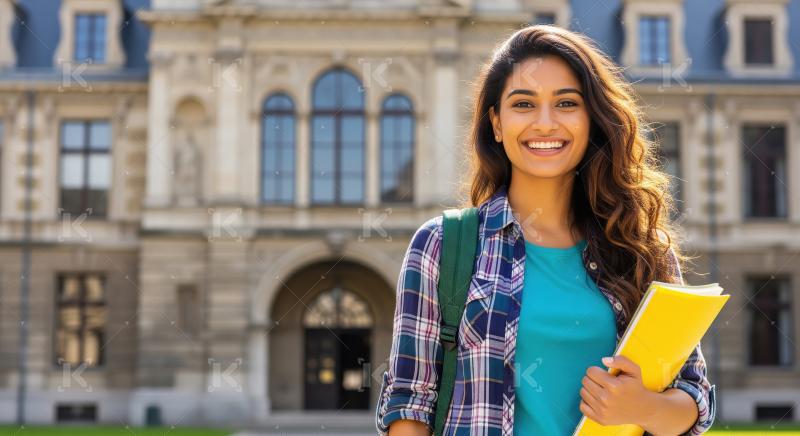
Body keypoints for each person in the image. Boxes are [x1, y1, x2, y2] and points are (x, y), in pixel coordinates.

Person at [374, 25, 715, 436]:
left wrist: (644, 406)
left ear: (592, 120)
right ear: (496, 124)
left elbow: (694, 401)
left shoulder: (641, 248)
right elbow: (409, 405)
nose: (546, 123)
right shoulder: (441, 245)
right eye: (523, 104)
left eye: (567, 103)